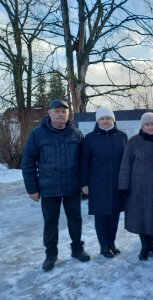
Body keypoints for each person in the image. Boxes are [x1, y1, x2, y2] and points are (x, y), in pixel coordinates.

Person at [21, 99, 90, 272]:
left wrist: (84, 183)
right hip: (49, 188)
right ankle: (51, 254)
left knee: (75, 219)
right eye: (57, 111)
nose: (61, 114)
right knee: (50, 222)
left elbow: (84, 162)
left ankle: (77, 249)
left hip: (72, 187)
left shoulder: (76, 134)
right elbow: (28, 161)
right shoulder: (38, 134)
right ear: (49, 113)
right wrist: (32, 188)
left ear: (68, 114)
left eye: (64, 111)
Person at [80, 107, 127, 258]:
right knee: (101, 217)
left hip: (116, 184)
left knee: (114, 216)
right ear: (97, 121)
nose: (105, 121)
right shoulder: (90, 138)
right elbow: (84, 162)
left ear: (113, 120)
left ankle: (112, 243)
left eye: (108, 118)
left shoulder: (122, 136)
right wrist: (84, 183)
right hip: (97, 184)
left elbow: (126, 162)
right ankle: (104, 246)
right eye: (102, 119)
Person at [118, 112, 153, 261]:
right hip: (137, 187)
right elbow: (125, 165)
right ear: (142, 126)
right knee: (140, 217)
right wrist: (123, 186)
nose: (150, 127)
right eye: (147, 124)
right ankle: (145, 245)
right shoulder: (134, 141)